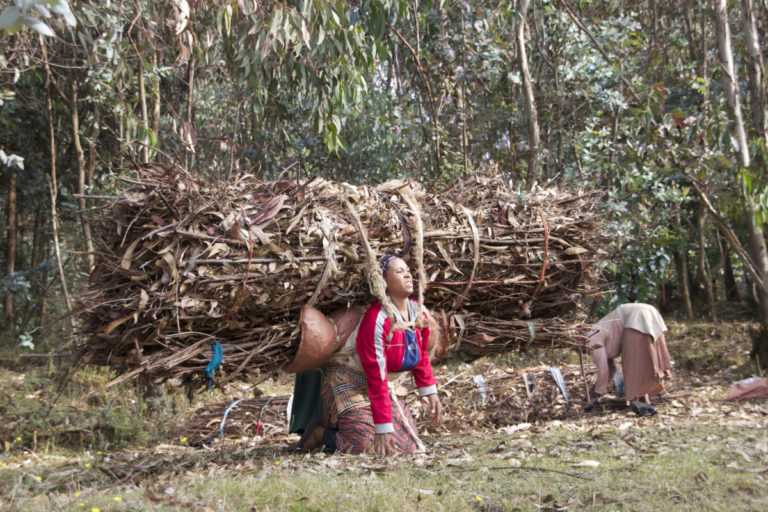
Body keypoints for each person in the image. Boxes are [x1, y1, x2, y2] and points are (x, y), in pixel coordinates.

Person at [298, 255, 442, 455]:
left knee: (407, 447)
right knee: (369, 444)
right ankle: (320, 433)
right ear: (382, 282)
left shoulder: (419, 313)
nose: (408, 274)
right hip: (349, 381)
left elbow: (421, 355)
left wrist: (429, 392)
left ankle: (361, 428)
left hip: (383, 387)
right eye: (399, 271)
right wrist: (383, 426)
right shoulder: (376, 319)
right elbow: (376, 375)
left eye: (408, 270)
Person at [585, 303, 673, 415]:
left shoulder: (590, 338)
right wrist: (598, 389)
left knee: (631, 364)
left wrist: (595, 393)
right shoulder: (596, 330)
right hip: (649, 311)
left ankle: (636, 401)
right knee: (642, 360)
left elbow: (603, 370)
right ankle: (643, 402)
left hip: (636, 316)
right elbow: (611, 369)